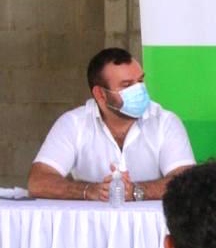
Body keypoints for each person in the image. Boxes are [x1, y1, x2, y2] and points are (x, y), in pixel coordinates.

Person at [27, 47, 194, 201]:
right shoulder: (73, 123)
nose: (139, 90)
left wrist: (138, 191)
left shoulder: (166, 122)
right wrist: (88, 191)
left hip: (151, 231)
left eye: (141, 81)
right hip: (90, 229)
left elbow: (187, 183)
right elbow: (38, 182)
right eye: (127, 85)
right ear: (100, 94)